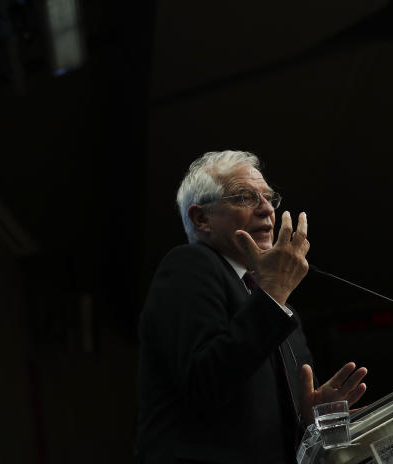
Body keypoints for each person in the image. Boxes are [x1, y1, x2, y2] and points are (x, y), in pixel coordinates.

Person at [135, 150, 367, 464]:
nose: (267, 209)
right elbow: (205, 383)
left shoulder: (283, 312)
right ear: (201, 218)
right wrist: (273, 295)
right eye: (245, 197)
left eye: (270, 198)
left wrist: (308, 420)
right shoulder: (190, 266)